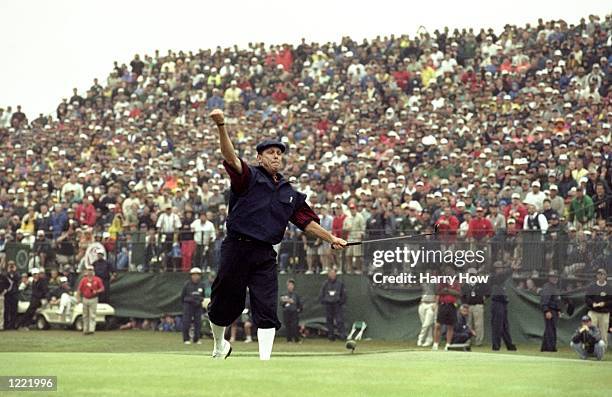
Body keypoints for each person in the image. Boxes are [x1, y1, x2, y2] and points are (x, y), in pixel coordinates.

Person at [206, 109, 347, 360]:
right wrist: (221, 126)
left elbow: (306, 222)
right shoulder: (248, 176)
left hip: (265, 253)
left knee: (267, 305)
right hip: (237, 247)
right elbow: (229, 156)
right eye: (271, 152)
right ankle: (219, 346)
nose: (276, 156)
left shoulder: (288, 191)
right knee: (224, 301)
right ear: (259, 157)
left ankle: (265, 362)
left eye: (279, 153)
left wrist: (332, 239)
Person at [489, 261, 518, 351]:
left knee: (505, 325)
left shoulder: (502, 278)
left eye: (501, 268)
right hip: (497, 303)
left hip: (503, 303)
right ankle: (496, 345)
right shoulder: (493, 277)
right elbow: (502, 276)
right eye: (498, 268)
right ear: (495, 269)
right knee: (497, 325)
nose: (500, 270)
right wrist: (511, 269)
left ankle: (509, 345)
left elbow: (503, 276)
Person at [432, 266, 461, 351]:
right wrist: (449, 291)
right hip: (443, 305)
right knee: (438, 325)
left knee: (450, 326)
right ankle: (435, 344)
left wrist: (448, 290)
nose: (449, 272)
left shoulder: (456, 282)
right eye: (447, 271)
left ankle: (448, 345)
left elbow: (458, 293)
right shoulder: (442, 281)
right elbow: (439, 291)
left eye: (450, 271)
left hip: (452, 305)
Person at [460, 267, 487, 346]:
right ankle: (467, 340)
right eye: (470, 274)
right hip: (468, 306)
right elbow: (462, 295)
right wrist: (464, 304)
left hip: (478, 305)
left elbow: (487, 292)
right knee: (468, 324)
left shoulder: (481, 284)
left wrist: (484, 298)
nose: (472, 276)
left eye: (473, 274)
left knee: (479, 324)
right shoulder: (465, 285)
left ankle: (479, 341)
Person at [585, 268, 612, 346]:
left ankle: (602, 349)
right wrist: (593, 303)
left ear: (605, 276)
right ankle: (590, 348)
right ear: (596, 276)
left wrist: (604, 303)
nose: (600, 276)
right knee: (591, 330)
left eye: (602, 274)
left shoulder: (609, 288)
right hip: (593, 312)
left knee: (603, 333)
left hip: (604, 313)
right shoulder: (592, 286)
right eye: (598, 274)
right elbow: (587, 298)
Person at [319, 268, 347, 341]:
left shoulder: (340, 284)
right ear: (328, 274)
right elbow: (322, 294)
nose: (332, 275)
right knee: (329, 320)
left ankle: (342, 335)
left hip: (337, 305)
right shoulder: (325, 284)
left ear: (335, 274)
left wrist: (340, 301)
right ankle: (331, 335)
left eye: (333, 273)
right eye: (330, 273)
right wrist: (324, 301)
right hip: (328, 305)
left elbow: (344, 294)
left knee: (339, 320)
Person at [76, 265, 104, 335]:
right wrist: (78, 298)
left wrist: (96, 291)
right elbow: (79, 289)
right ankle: (85, 329)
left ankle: (91, 329)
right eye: (88, 270)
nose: (90, 272)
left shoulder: (97, 279)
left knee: (92, 314)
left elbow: (102, 288)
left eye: (91, 270)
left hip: (93, 298)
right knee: (85, 315)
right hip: (85, 298)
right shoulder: (84, 280)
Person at [181, 267, 205, 344]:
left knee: (198, 323)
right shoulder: (187, 285)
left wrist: (199, 300)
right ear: (191, 276)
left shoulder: (201, 285)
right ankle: (186, 339)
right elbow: (183, 296)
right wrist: (189, 301)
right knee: (186, 322)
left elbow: (202, 296)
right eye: (194, 275)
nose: (196, 276)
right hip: (188, 306)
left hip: (198, 306)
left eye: (197, 275)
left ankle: (197, 339)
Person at [540, 270, 561, 352]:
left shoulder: (554, 287)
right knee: (550, 329)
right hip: (550, 310)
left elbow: (556, 300)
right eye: (553, 277)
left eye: (556, 277)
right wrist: (546, 311)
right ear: (549, 278)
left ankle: (545, 347)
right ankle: (550, 348)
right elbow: (544, 300)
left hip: (554, 311)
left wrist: (559, 310)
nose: (555, 279)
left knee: (550, 329)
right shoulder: (547, 287)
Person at [417, 278, 437, 347]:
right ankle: (429, 339)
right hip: (423, 304)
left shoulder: (435, 283)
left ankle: (420, 339)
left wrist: (435, 303)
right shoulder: (423, 283)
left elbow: (438, 293)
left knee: (427, 324)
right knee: (424, 323)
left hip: (431, 304)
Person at [3, 261, 19, 329]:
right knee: (6, 310)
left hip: (14, 294)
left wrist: (15, 271)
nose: (11, 266)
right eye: (10, 265)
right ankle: (6, 325)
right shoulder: (5, 273)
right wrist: (8, 271)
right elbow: (4, 279)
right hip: (7, 294)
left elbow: (18, 279)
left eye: (12, 265)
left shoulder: (16, 274)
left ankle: (13, 325)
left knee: (14, 310)